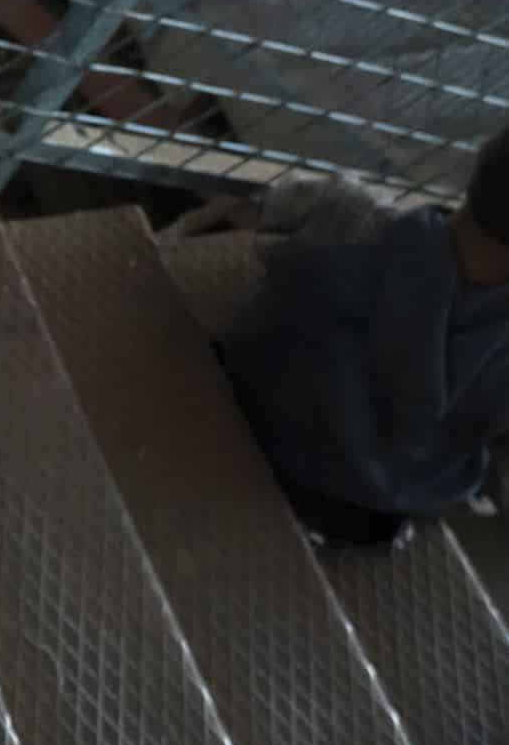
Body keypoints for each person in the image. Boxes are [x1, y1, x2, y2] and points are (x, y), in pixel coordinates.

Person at [218, 136, 509, 549]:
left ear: (477, 171)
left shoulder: (349, 216)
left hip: (253, 405)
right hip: (372, 496)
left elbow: (271, 224)